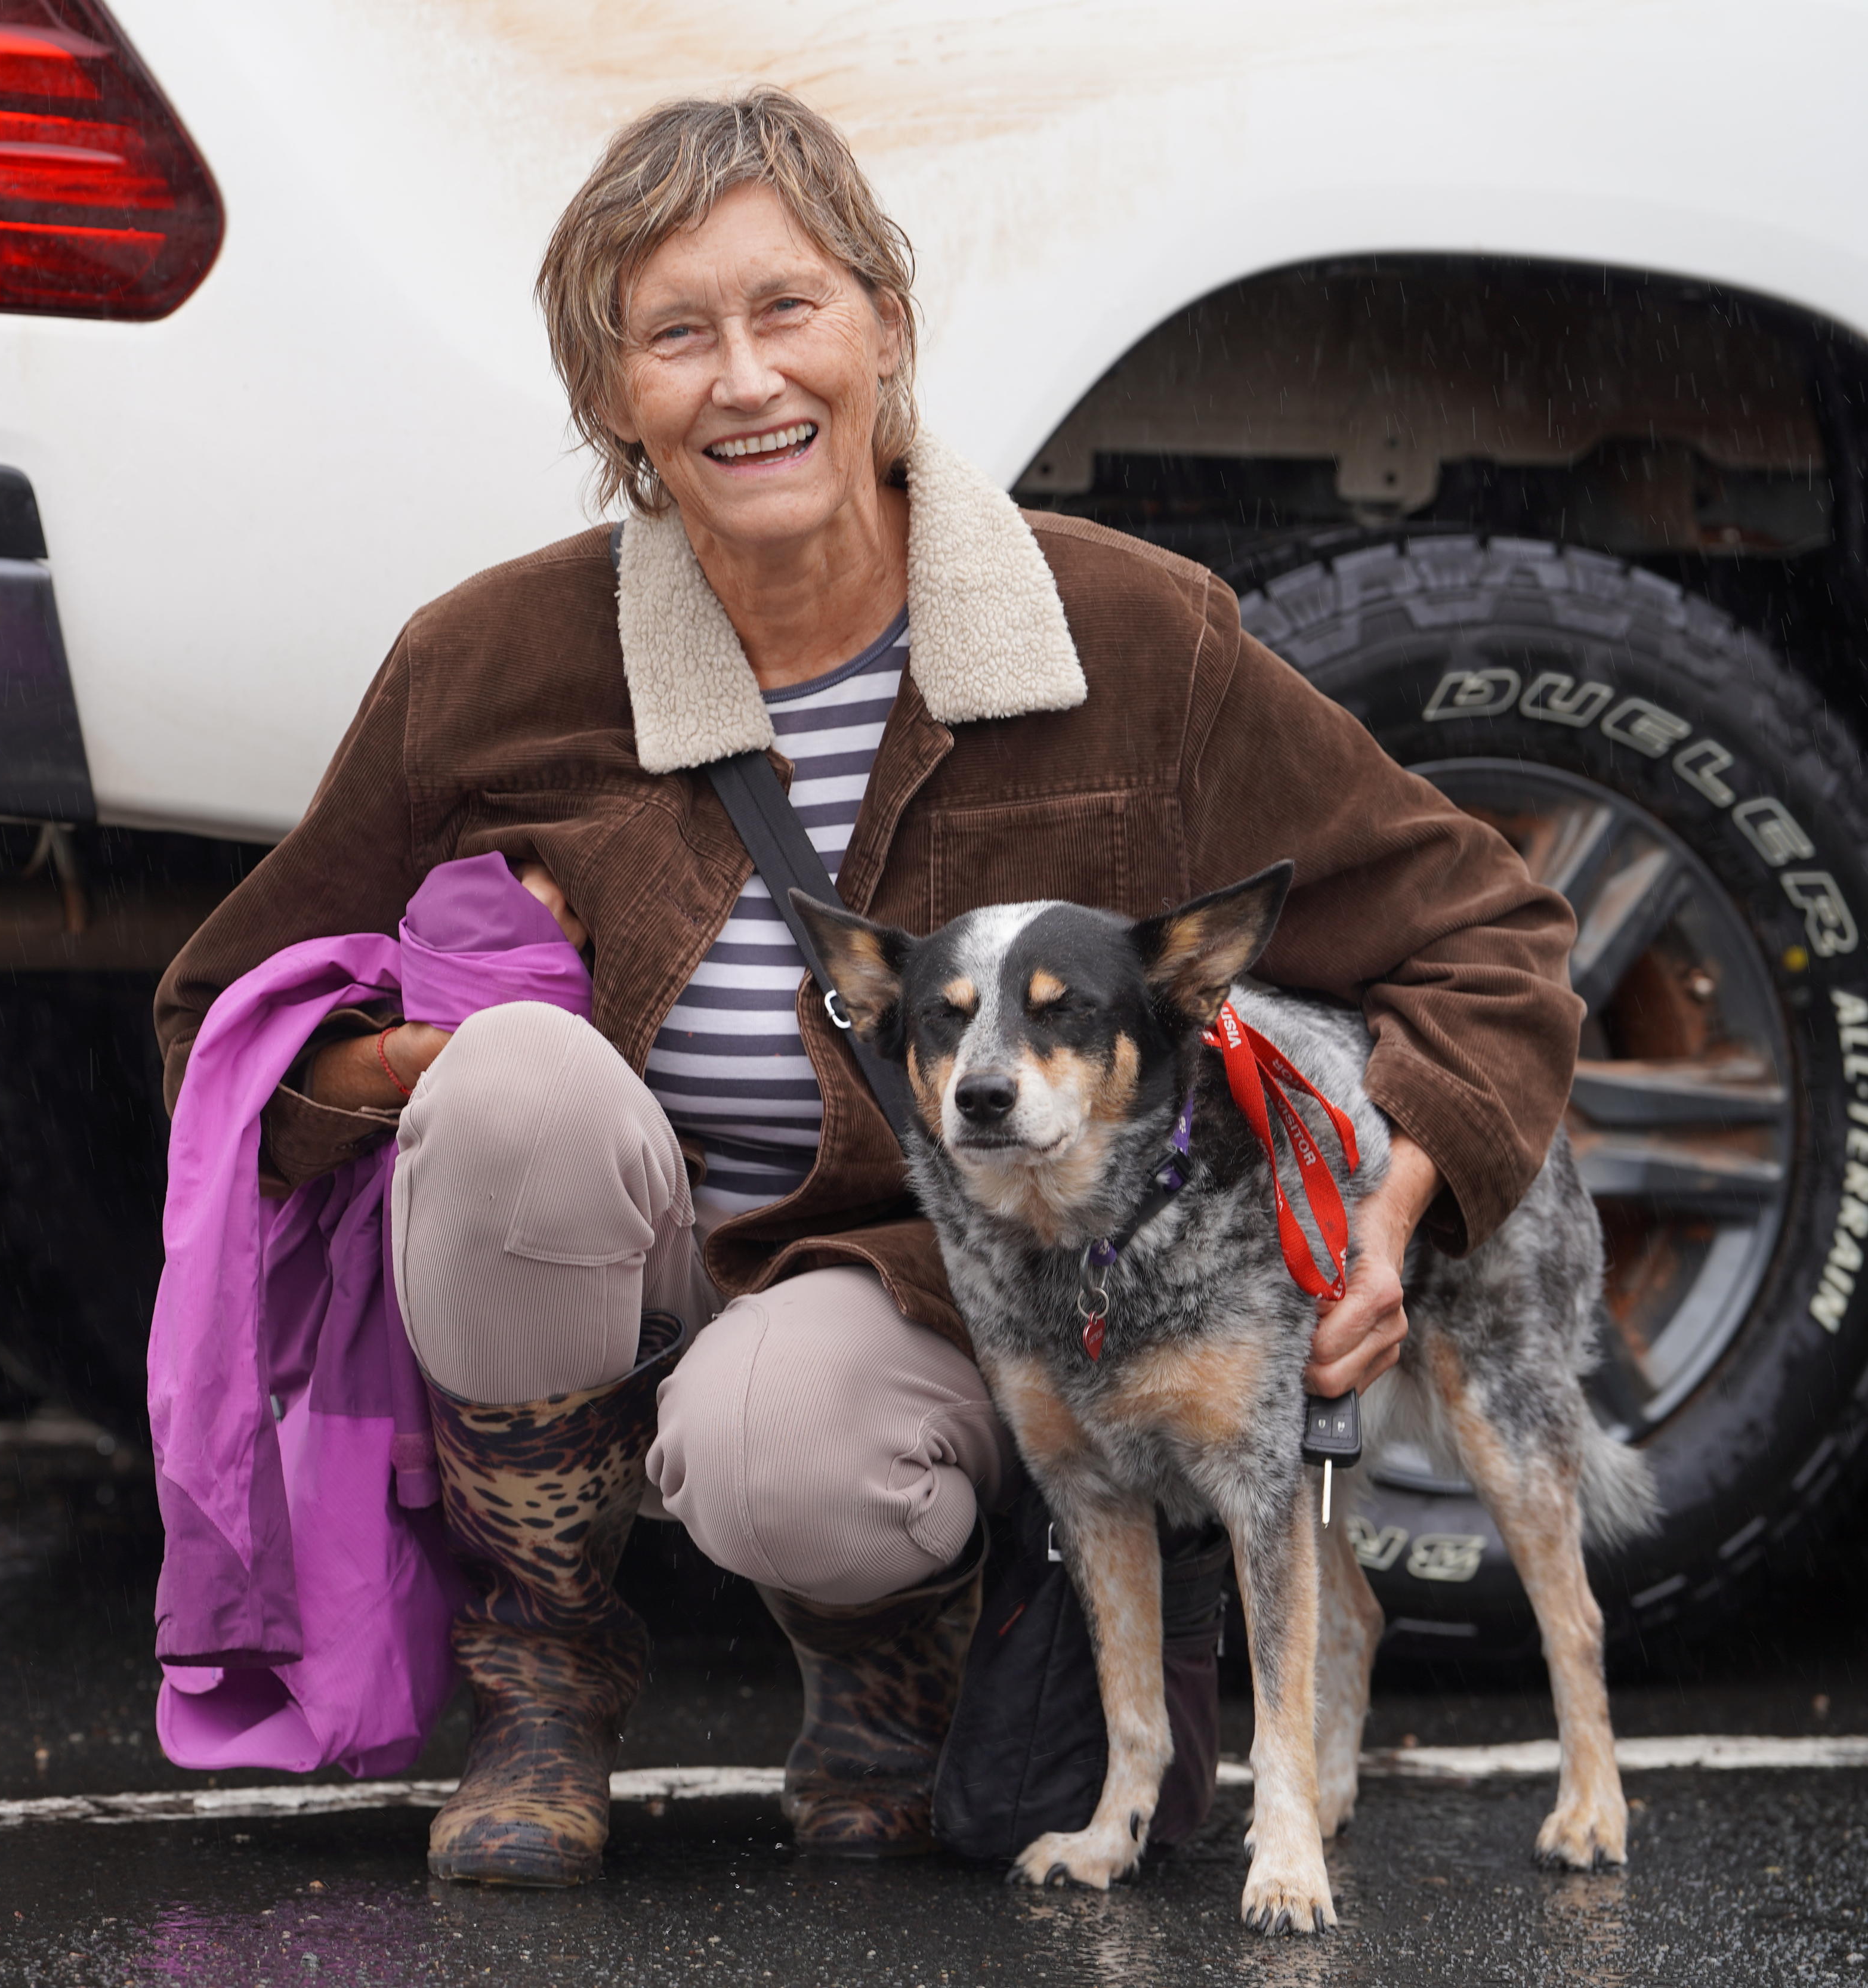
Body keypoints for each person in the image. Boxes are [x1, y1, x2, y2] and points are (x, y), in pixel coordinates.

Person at [154, 87, 1578, 1888]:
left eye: (788, 310)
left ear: (884, 331)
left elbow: (1491, 934)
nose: (743, 381)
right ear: (613, 402)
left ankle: (884, 1663)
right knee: (520, 1092)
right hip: (631, 1259)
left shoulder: (1130, 640)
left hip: (931, 1314)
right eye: (675, 336)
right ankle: (547, 1671)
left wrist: (1398, 1200)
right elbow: (224, 1021)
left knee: (797, 1452)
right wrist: (450, 1053)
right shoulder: (488, 663)